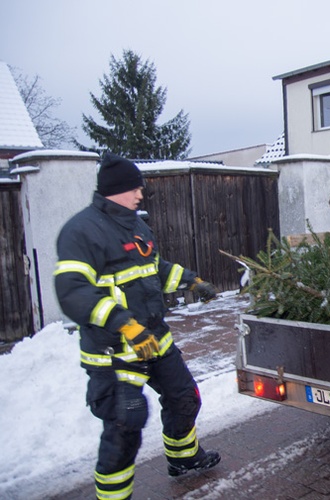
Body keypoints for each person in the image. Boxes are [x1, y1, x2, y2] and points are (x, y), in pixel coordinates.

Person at [54, 153, 221, 500]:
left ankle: (183, 459)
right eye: (135, 189)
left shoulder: (136, 225)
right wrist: (124, 325)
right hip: (114, 351)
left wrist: (191, 281)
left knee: (184, 399)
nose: (140, 195)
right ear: (116, 190)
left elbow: (153, 270)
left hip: (155, 341)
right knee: (124, 426)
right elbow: (73, 291)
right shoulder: (80, 231)